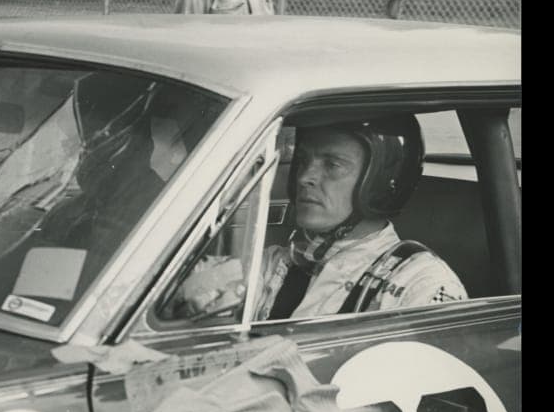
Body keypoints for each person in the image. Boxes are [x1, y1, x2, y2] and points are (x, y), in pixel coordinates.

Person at [181, 116, 466, 320]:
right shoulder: (275, 264)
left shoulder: (421, 285)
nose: (305, 177)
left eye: (333, 165)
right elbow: (176, 288)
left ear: (380, 182)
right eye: (303, 161)